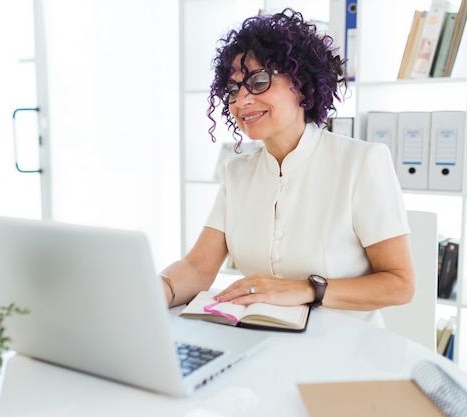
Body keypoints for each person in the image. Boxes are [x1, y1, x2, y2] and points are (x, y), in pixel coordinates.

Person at [160, 8, 415, 325]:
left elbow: (400, 284)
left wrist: (306, 290)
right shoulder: (236, 173)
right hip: (260, 341)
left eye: (259, 81)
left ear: (304, 86)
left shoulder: (361, 162)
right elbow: (198, 268)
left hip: (345, 348)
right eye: (233, 89)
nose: (242, 101)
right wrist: (157, 289)